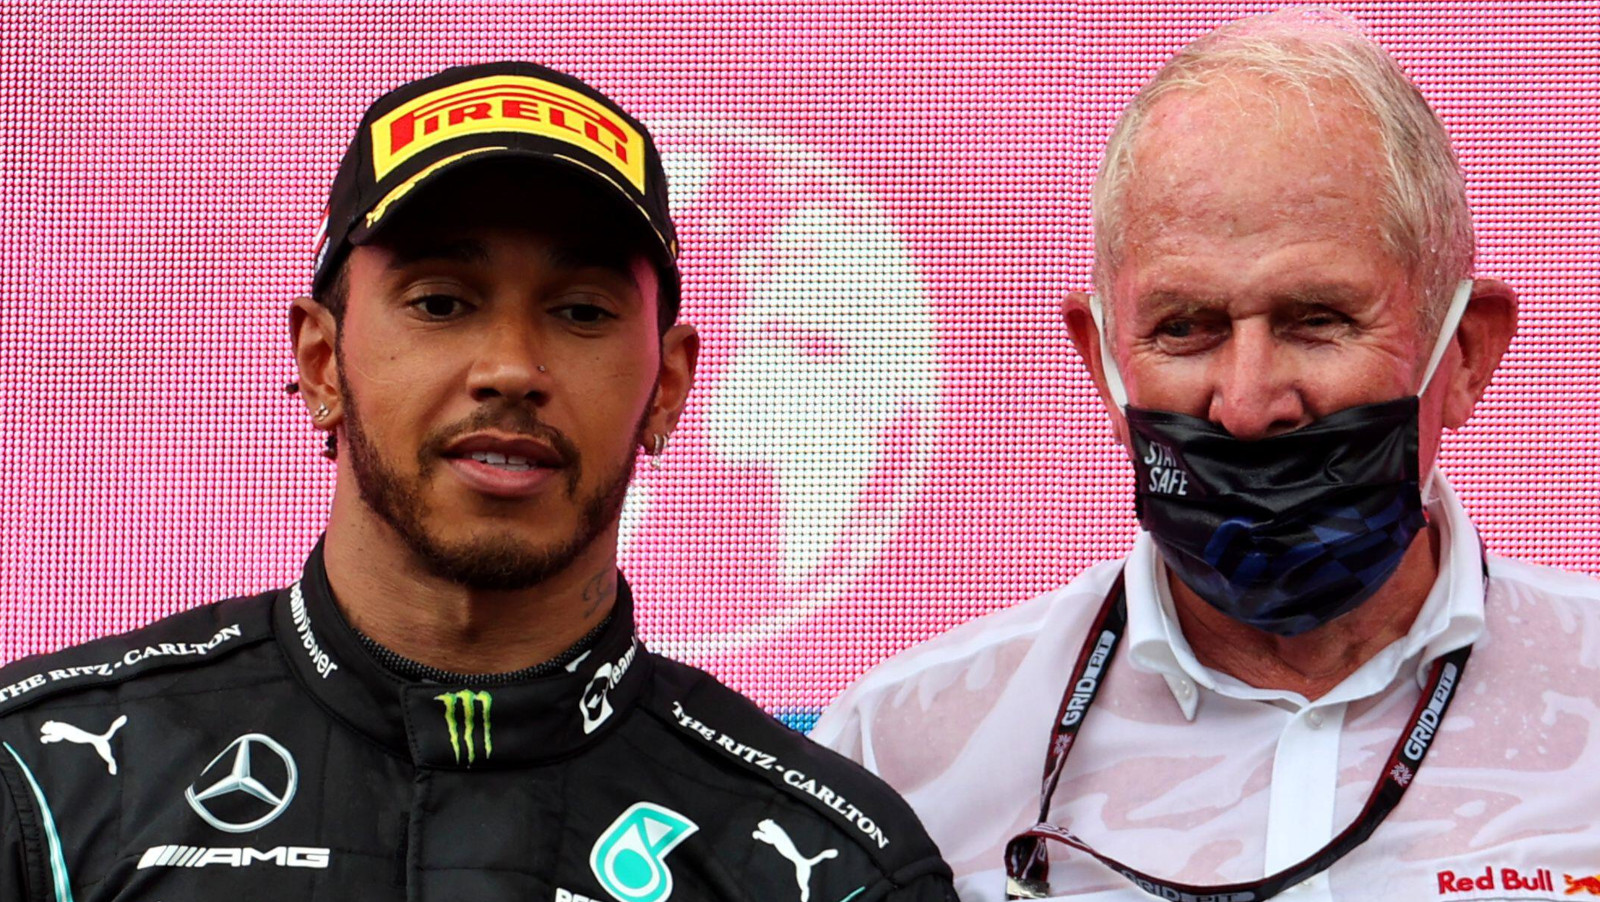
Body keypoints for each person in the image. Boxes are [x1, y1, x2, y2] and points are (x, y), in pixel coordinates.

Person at [0, 61, 957, 902]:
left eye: (581, 312)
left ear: (666, 386)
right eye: (442, 303)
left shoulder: (829, 868)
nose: (511, 367)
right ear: (324, 363)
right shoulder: (41, 784)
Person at [814, 11, 1600, 901]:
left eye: (1319, 319)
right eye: (1185, 328)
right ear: (1105, 368)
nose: (1249, 403)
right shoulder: (896, 757)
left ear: (1464, 356)